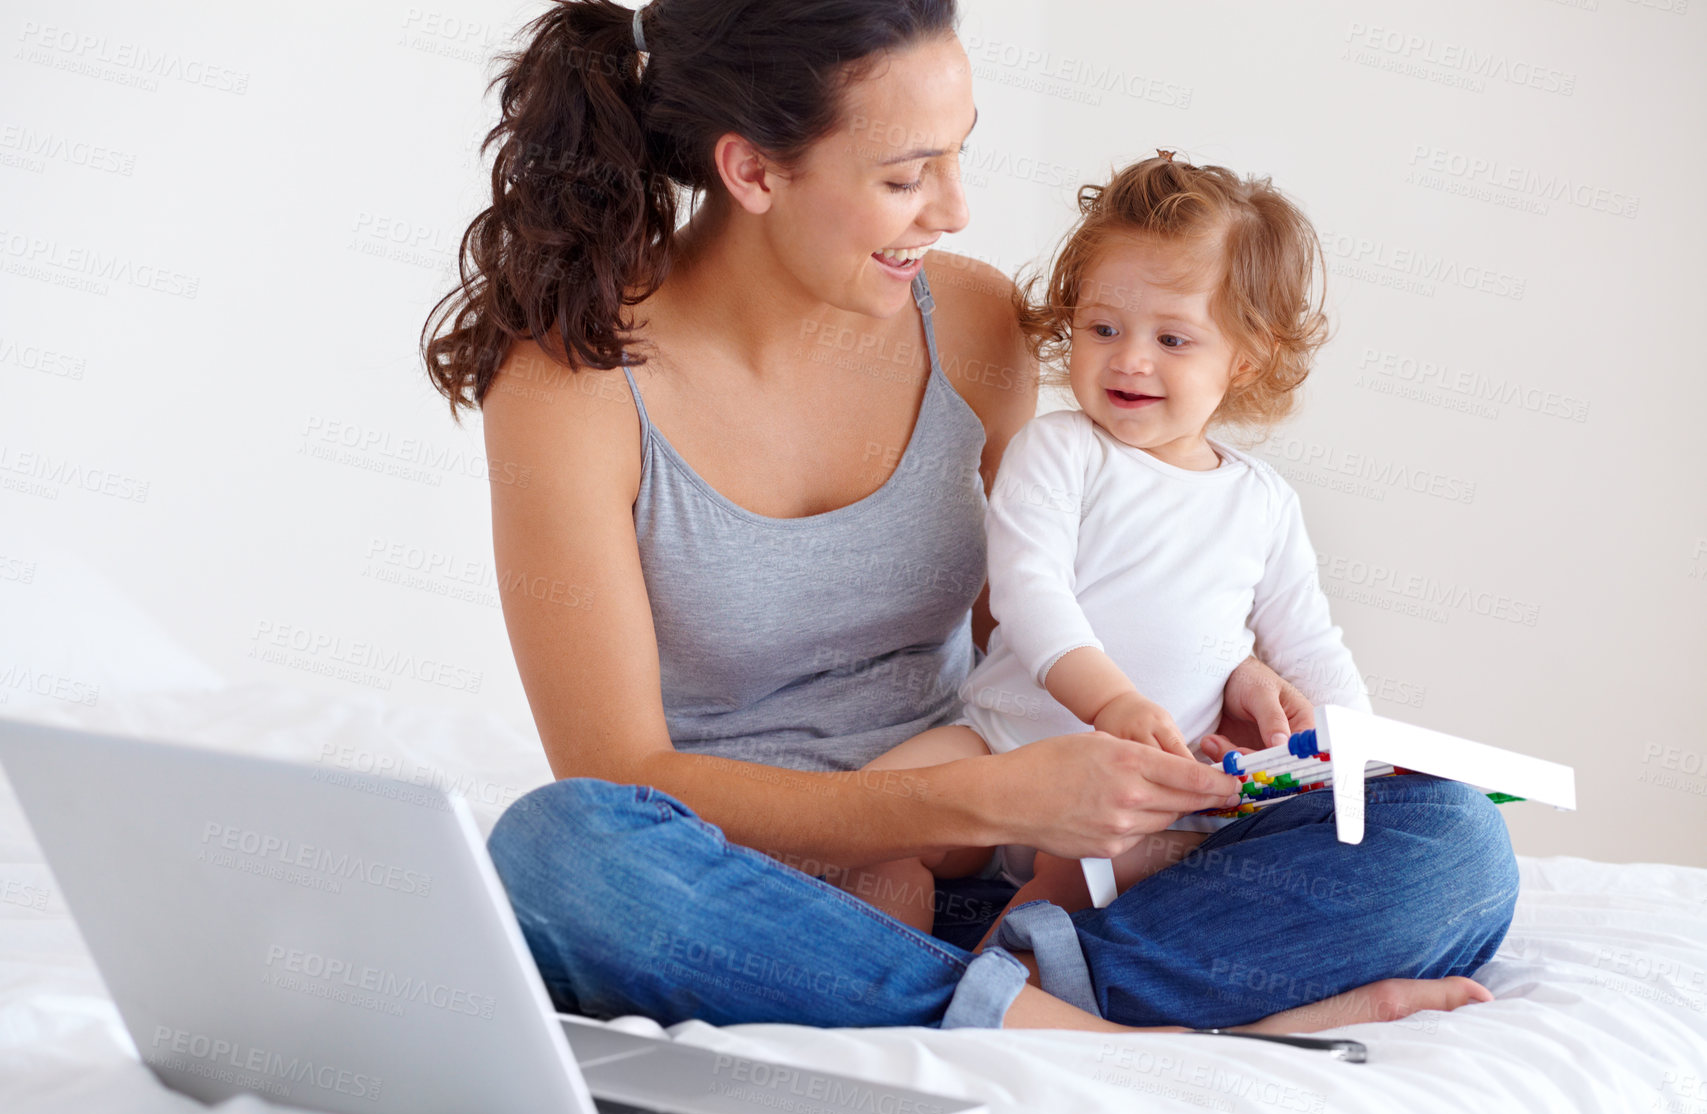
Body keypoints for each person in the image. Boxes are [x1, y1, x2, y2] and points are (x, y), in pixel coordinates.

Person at [422, 0, 1518, 1034]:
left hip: (1004, 873)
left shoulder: (972, 318)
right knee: (562, 853)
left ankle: (1014, 996)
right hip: (753, 895)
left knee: (1451, 843)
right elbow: (622, 773)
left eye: (960, 153)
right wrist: (982, 794)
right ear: (752, 169)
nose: (954, 208)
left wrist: (1214, 677)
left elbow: (1029, 627)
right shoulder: (573, 384)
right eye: (908, 175)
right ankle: (1076, 1024)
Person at [840, 152, 1378, 953]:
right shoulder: (1060, 449)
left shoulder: (1261, 501)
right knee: (868, 816)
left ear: (1246, 357)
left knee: (1177, 865)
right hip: (999, 742)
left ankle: (1002, 975)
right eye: (1102, 328)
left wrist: (1365, 756)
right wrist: (1112, 706)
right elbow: (1029, 592)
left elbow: (1306, 643)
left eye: (1171, 338)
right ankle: (893, 977)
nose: (1129, 358)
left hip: (1147, 794)